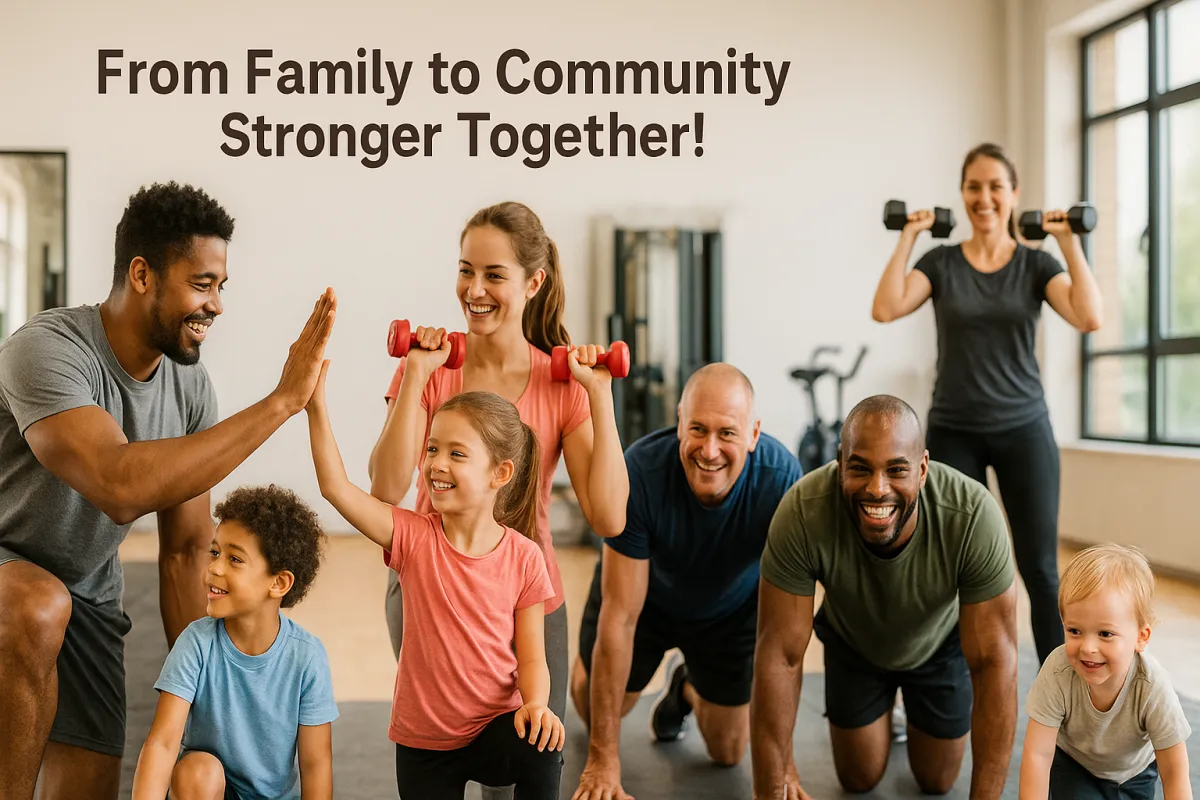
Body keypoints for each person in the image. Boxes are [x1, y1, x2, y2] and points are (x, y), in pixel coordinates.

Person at [0, 181, 336, 800]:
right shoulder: (46, 350)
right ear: (142, 274)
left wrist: (207, 690)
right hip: (9, 573)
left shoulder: (190, 390)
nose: (216, 305)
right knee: (37, 604)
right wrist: (283, 401)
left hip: (88, 594)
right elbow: (116, 483)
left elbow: (185, 551)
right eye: (201, 284)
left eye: (221, 287)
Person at [367, 202, 629, 785]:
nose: (474, 290)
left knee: (528, 763)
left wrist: (600, 398)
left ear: (533, 282)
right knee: (451, 751)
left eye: (493, 275)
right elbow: (386, 486)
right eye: (466, 271)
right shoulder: (432, 368)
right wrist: (415, 375)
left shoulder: (561, 386)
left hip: (527, 594)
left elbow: (609, 517)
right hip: (433, 587)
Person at [870, 142, 1104, 666]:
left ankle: (1057, 688)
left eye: (996, 186)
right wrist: (909, 233)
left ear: (1013, 194)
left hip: (1024, 428)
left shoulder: (1036, 264)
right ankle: (940, 680)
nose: (984, 197)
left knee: (1040, 568)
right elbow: (885, 308)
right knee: (948, 563)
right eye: (974, 187)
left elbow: (1090, 317)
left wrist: (1069, 244)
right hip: (954, 429)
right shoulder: (942, 263)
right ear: (962, 195)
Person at [309, 363, 565, 799]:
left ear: (499, 474)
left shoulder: (525, 556)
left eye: (456, 454)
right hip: (424, 744)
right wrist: (314, 405)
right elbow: (336, 487)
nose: (437, 464)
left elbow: (532, 658)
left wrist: (537, 705)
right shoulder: (411, 536)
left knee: (543, 744)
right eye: (432, 449)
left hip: (493, 731)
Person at [751, 394, 1019, 799]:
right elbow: (780, 656)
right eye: (859, 468)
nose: (878, 489)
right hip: (854, 642)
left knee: (938, 779)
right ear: (840, 464)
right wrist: (776, 780)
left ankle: (906, 712)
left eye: (897, 470)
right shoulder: (804, 511)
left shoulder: (972, 516)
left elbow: (994, 664)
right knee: (859, 777)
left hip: (937, 643)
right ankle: (885, 714)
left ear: (923, 469)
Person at [569, 363, 801, 800]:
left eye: (727, 434)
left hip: (729, 611)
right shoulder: (639, 472)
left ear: (753, 435)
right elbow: (619, 618)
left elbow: (783, 635)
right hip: (646, 603)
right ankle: (593, 673)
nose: (709, 450)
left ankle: (686, 687)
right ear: (679, 423)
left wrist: (784, 769)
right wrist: (603, 759)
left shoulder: (781, 481)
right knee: (592, 707)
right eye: (697, 429)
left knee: (729, 749)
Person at [131, 485, 339, 800]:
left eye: (235, 559)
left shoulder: (306, 656)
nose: (214, 568)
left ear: (278, 582)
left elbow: (316, 764)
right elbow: (162, 743)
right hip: (212, 791)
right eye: (215, 553)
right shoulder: (196, 643)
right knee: (196, 771)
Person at [1019, 543, 1193, 799]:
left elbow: (1175, 771)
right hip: (1075, 765)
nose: (1088, 648)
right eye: (1075, 631)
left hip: (1135, 773)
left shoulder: (1152, 685)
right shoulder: (1058, 672)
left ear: (1141, 637)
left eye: (1105, 634)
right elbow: (1037, 754)